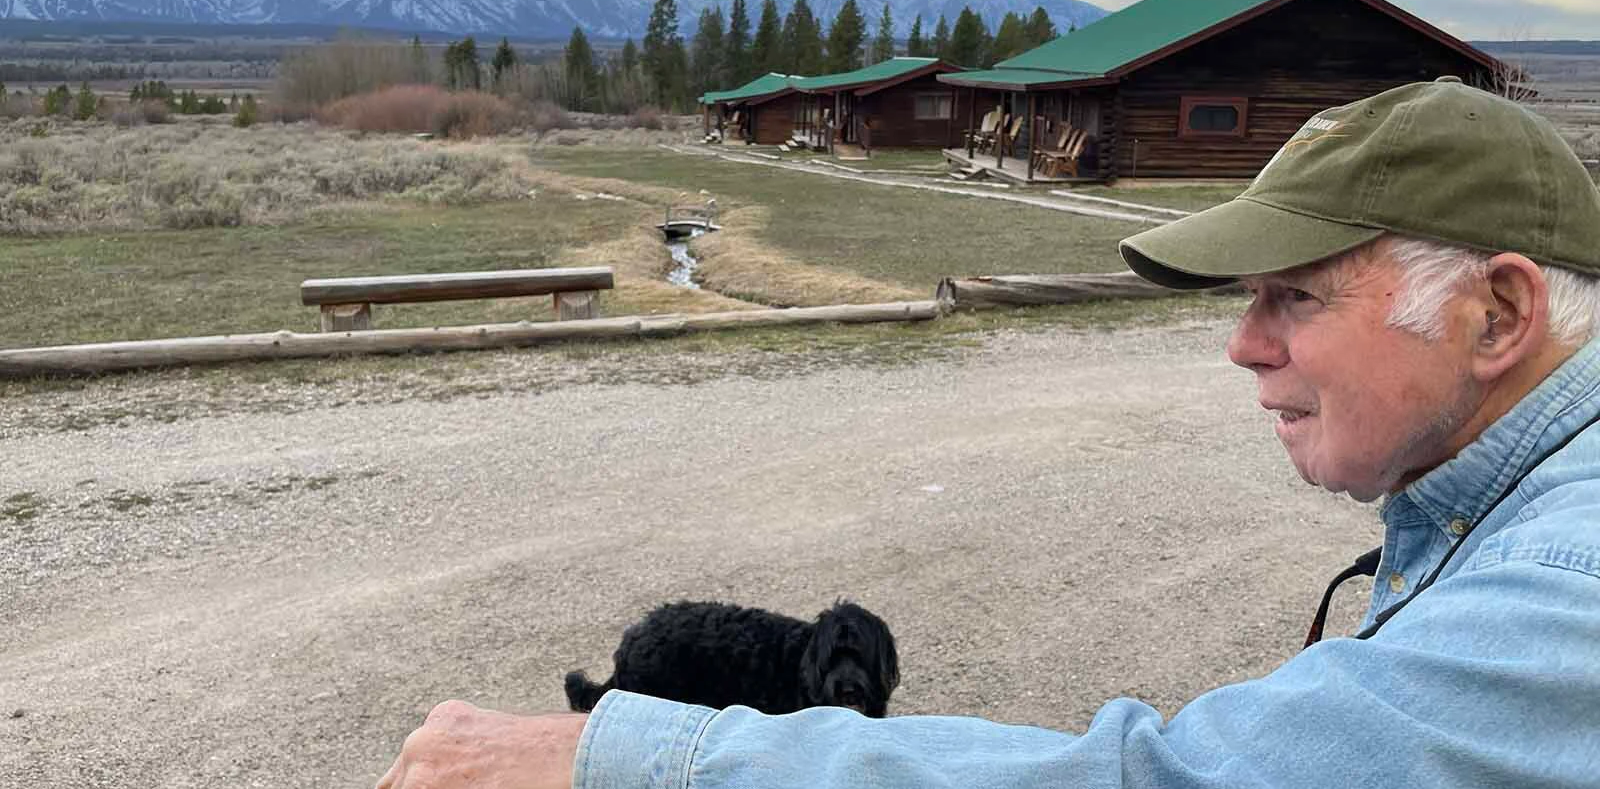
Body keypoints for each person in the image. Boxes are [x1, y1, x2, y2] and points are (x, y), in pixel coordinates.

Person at [374, 78, 1600, 788]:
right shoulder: (1508, 493)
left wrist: (620, 759)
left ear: (1496, 315)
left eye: (1296, 295)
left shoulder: (1568, 582)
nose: (1244, 344)